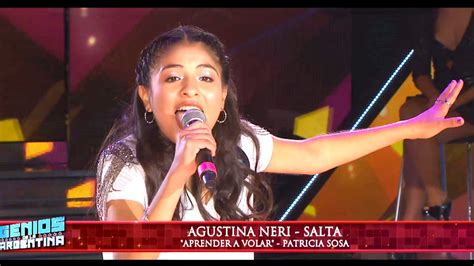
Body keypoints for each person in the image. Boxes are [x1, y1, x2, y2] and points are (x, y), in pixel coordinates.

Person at [95, 25, 467, 260]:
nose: (191, 88)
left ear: (222, 96)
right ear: (146, 96)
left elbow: (316, 153)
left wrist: (410, 129)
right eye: (174, 78)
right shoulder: (125, 160)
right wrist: (177, 174)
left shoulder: (236, 142)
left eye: (206, 79)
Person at [399, 8, 474, 222]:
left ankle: (412, 217)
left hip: (466, 107)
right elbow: (420, 71)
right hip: (443, 104)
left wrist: (449, 103)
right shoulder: (428, 14)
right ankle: (435, 200)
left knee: (417, 133)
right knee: (411, 114)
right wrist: (436, 100)